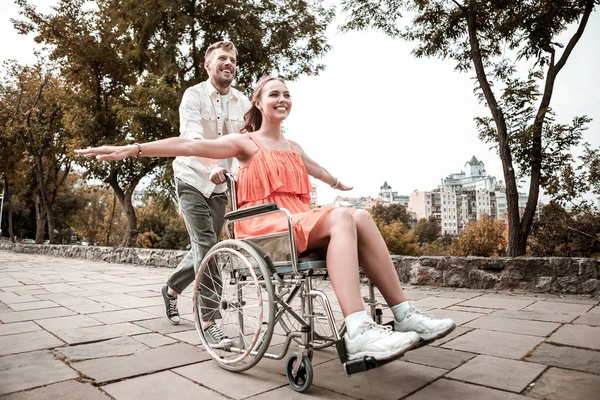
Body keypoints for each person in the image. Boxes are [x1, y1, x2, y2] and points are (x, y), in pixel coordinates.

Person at [76, 76, 456, 361]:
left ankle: (404, 314)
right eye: (274, 93)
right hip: (263, 226)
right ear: (258, 102)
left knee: (359, 216)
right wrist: (132, 149)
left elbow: (317, 169)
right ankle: (357, 330)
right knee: (343, 217)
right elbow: (191, 145)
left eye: (287, 94)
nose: (283, 98)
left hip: (299, 220)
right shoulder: (246, 143)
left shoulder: (293, 147)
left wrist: (339, 181)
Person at [163, 40, 250, 349]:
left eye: (232, 59)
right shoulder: (193, 96)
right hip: (191, 178)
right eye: (222, 58)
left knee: (207, 246)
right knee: (207, 247)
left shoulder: (243, 102)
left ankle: (172, 288)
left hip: (221, 185)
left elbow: (249, 143)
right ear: (208, 65)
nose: (228, 63)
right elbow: (191, 137)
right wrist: (212, 162)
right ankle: (210, 320)